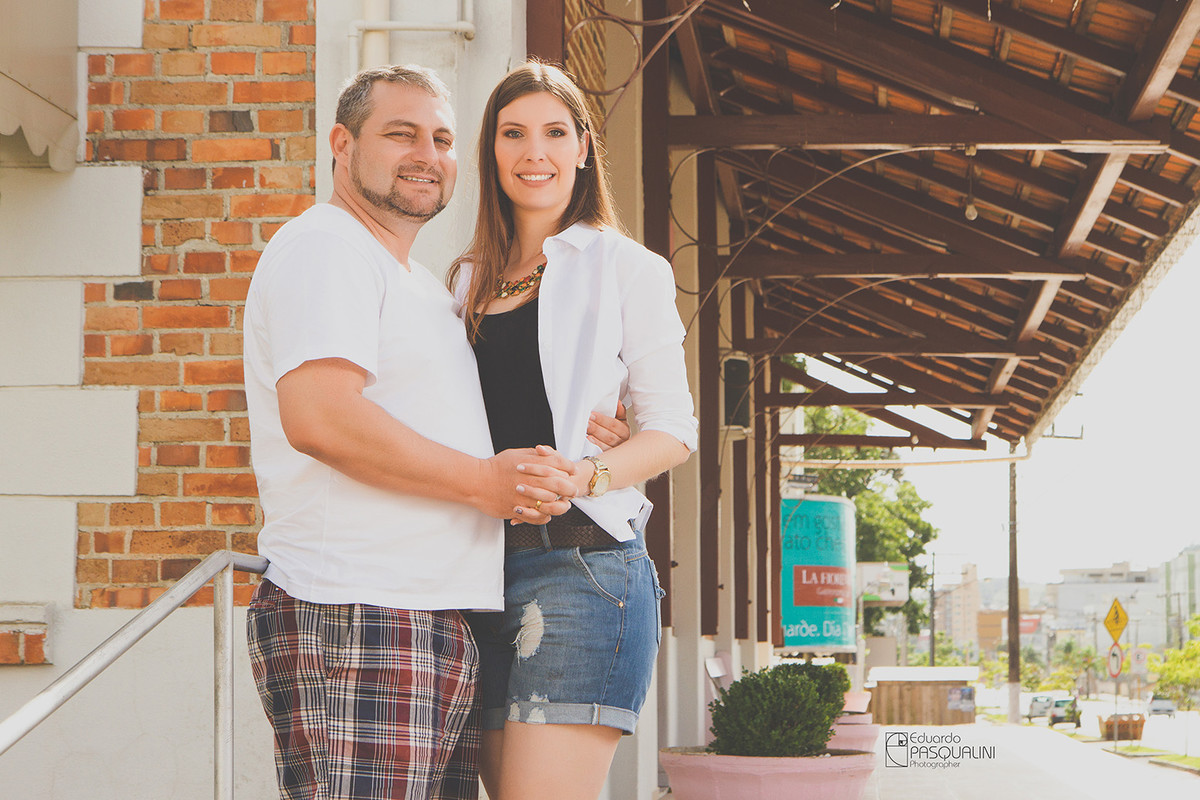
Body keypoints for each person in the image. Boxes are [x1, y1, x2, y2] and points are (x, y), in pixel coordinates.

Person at [242, 65, 615, 800]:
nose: (428, 154)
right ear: (341, 144)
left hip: (433, 617)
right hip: (358, 611)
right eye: (401, 133)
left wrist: (595, 423)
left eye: (442, 139)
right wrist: (483, 484)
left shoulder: (418, 282)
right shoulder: (327, 246)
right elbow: (320, 417)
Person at [448, 62, 698, 800]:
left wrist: (588, 473)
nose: (535, 153)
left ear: (584, 148)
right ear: (491, 152)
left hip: (583, 570)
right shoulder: (463, 283)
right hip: (475, 576)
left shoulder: (628, 269)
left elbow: (673, 429)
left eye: (556, 133)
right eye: (514, 134)